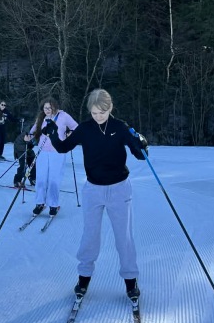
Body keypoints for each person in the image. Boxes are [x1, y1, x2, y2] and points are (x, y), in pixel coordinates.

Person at [42, 88, 148, 301]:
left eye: (102, 112)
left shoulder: (120, 127)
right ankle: (84, 278)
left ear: (110, 108)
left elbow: (140, 155)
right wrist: (53, 133)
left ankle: (131, 281)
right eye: (94, 113)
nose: (98, 117)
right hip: (93, 190)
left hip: (119, 189)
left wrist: (142, 144)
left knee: (124, 238)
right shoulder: (85, 128)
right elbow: (63, 147)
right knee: (90, 236)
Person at [26, 97, 77, 217]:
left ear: (55, 106)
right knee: (41, 179)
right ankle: (40, 203)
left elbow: (76, 127)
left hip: (57, 152)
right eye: (45, 108)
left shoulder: (63, 116)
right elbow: (33, 132)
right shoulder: (41, 118)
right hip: (42, 152)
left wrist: (69, 133)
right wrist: (28, 136)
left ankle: (53, 205)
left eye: (50, 107)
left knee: (54, 180)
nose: (47, 110)